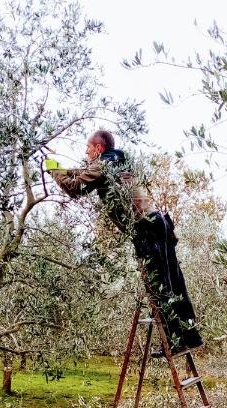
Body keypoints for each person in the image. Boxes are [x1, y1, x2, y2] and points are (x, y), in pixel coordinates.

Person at [45, 130, 203, 356]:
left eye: (88, 148)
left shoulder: (103, 166)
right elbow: (83, 173)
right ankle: (190, 336)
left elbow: (76, 188)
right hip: (159, 224)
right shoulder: (114, 161)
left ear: (98, 149)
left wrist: (54, 171)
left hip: (147, 229)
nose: (85, 152)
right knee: (174, 283)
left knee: (162, 285)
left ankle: (177, 341)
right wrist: (60, 167)